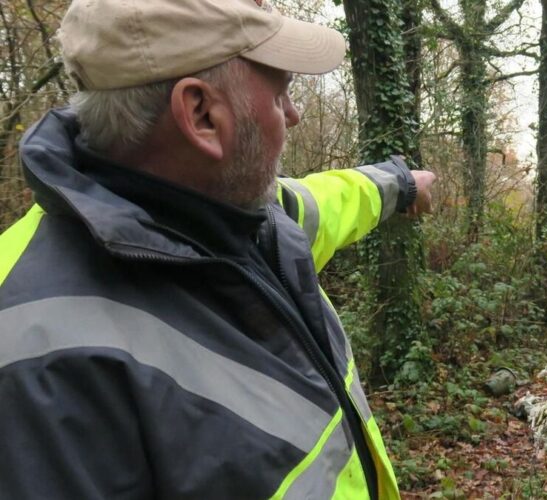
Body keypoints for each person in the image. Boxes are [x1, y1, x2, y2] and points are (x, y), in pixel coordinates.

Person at [0, 0, 435, 498]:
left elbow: (329, 200)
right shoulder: (28, 347)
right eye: (279, 96)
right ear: (202, 114)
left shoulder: (246, 215)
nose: (292, 116)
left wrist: (399, 183)